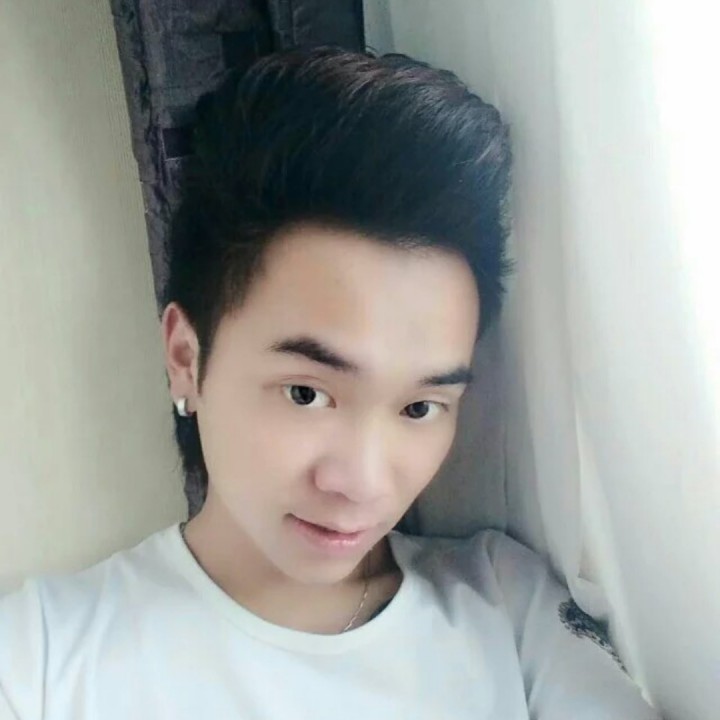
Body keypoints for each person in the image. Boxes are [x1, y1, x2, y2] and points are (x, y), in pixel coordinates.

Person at [0, 46, 660, 719]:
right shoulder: (39, 658)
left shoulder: (506, 609)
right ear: (185, 356)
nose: (363, 484)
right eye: (307, 394)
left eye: (420, 406)